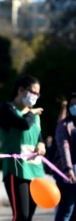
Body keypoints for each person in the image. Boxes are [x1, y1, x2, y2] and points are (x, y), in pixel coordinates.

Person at [0, 76, 46, 221]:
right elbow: (23, 124)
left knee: (29, 216)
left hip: (35, 170)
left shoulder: (34, 116)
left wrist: (41, 145)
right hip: (16, 169)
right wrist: (32, 112)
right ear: (21, 90)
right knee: (21, 216)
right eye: (33, 92)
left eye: (38, 94)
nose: (35, 97)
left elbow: (39, 136)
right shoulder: (7, 109)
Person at [52, 92, 76, 221]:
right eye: (72, 104)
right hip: (68, 173)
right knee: (66, 210)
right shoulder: (65, 125)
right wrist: (68, 169)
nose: (75, 106)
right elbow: (64, 148)